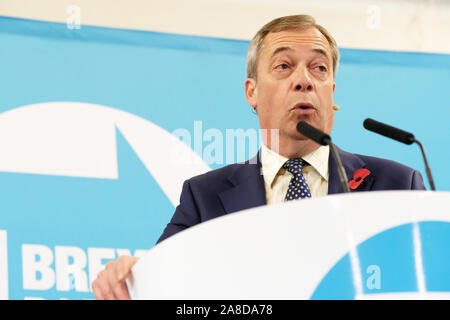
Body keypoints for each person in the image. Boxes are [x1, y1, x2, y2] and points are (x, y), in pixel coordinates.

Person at [92, 14, 425, 300]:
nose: (304, 81)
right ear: (252, 91)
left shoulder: (397, 185)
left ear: (332, 91)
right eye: (283, 66)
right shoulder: (205, 197)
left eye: (319, 68)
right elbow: (165, 280)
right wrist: (130, 278)